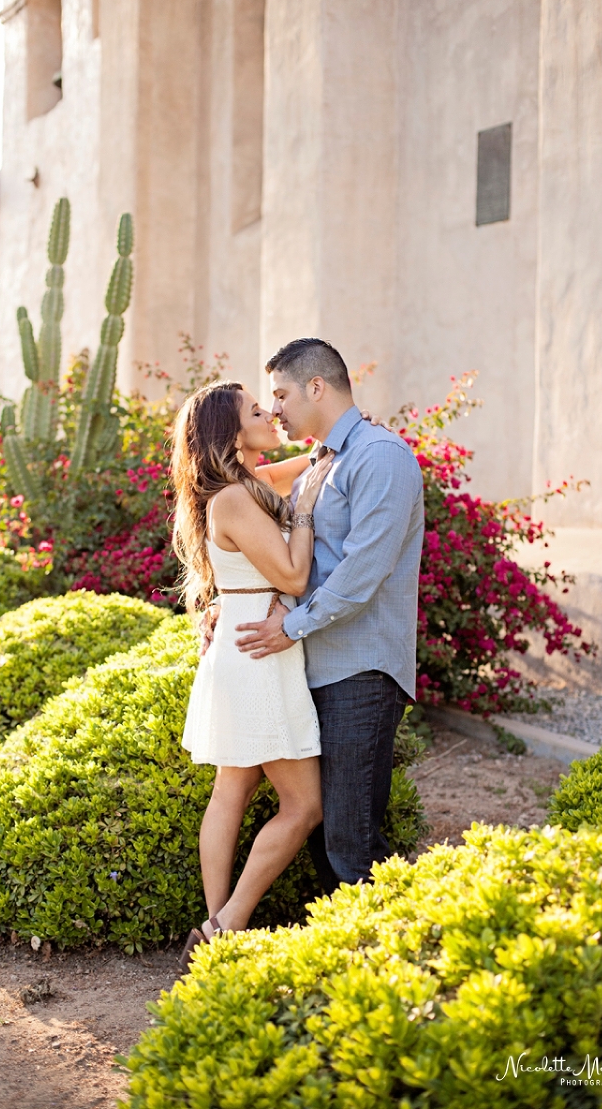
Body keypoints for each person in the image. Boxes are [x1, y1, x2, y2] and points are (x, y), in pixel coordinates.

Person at [235, 338, 424, 894]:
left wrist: (287, 627)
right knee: (326, 836)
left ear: (317, 387)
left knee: (352, 840)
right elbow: (289, 547)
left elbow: (362, 573)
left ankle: (380, 967)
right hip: (316, 668)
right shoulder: (323, 462)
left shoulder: (380, 457)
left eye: (282, 394)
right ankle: (339, 965)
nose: (275, 410)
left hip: (360, 674)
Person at [170, 380, 333, 967]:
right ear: (233, 433)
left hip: (244, 641)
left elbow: (319, 457)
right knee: (303, 806)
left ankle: (214, 930)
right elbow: (291, 576)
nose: (273, 414)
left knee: (232, 791)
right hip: (259, 652)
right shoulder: (237, 499)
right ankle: (228, 922)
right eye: (259, 410)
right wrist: (309, 515)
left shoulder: (249, 485)